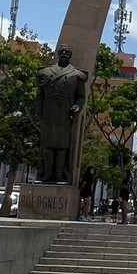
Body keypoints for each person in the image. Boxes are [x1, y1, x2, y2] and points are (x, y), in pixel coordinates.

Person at [35, 45, 88, 184]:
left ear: (70, 55)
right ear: (58, 54)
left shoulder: (76, 75)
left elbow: (81, 96)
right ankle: (47, 173)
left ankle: (59, 174)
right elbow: (39, 95)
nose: (64, 55)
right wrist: (38, 109)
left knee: (62, 146)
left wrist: (77, 106)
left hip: (65, 114)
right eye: (62, 52)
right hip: (48, 114)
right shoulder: (46, 72)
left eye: (67, 53)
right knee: (47, 145)